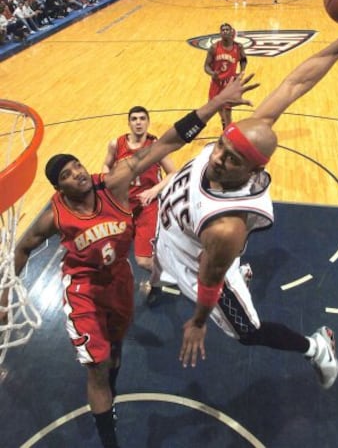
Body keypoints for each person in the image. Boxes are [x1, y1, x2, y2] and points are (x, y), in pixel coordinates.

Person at [1, 76, 257, 448]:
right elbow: (22, 248)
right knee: (98, 368)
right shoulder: (54, 216)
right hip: (84, 291)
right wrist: (5, 295)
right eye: (68, 176)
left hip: (119, 283)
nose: (78, 174)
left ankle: (108, 397)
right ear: (60, 188)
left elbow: (168, 141)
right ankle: (109, 439)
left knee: (115, 356)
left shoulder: (115, 183)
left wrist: (216, 104)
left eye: (77, 166)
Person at [152, 26, 338, 388]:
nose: (217, 159)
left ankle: (315, 347)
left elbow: (208, 280)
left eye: (231, 160)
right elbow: (295, 83)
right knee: (213, 257)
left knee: (246, 331)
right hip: (178, 238)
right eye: (219, 147)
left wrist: (199, 321)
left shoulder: (226, 226)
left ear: (253, 168)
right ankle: (237, 269)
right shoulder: (249, 135)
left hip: (199, 262)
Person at [102, 106, 176, 273]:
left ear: (148, 122)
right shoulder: (116, 144)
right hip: (122, 204)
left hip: (146, 204)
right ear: (128, 123)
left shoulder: (156, 146)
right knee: (107, 252)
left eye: (142, 118)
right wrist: (108, 184)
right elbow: (106, 165)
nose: (138, 122)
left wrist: (154, 191)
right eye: (134, 119)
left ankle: (173, 276)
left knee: (143, 261)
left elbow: (173, 172)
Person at [204, 22, 248, 130]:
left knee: (228, 109)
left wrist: (242, 71)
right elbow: (206, 66)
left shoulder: (238, 47)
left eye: (227, 30)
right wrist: (211, 73)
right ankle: (224, 121)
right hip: (217, 82)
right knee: (216, 106)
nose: (225, 31)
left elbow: (243, 60)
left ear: (231, 32)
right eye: (222, 30)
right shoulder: (214, 48)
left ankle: (228, 130)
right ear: (220, 33)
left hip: (229, 83)